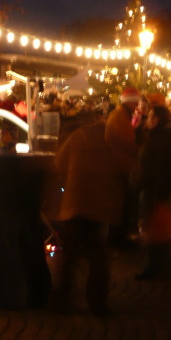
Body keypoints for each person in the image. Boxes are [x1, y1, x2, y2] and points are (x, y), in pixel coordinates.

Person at [50, 112, 125, 316]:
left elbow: (59, 163)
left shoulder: (77, 137)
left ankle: (61, 299)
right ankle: (97, 303)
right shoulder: (110, 138)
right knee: (98, 257)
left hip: (74, 204)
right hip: (98, 204)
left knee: (69, 256)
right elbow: (122, 167)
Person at [134, 105, 171, 279]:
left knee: (152, 227)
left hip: (153, 187)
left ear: (157, 119)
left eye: (150, 117)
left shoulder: (160, 138)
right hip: (158, 187)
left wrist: (156, 191)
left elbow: (160, 167)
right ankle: (162, 260)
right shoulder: (165, 135)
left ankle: (152, 265)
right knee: (157, 226)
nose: (147, 120)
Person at [104, 87, 142, 248]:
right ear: (131, 102)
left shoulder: (123, 115)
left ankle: (119, 236)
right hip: (121, 166)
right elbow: (127, 142)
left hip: (121, 165)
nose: (137, 106)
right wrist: (141, 150)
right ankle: (118, 239)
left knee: (122, 204)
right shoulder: (119, 116)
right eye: (136, 102)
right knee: (122, 205)